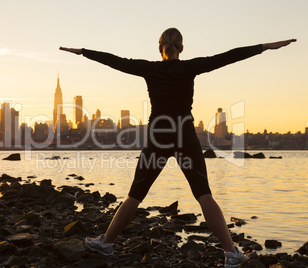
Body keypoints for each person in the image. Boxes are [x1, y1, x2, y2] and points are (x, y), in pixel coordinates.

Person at [60, 28, 296, 268]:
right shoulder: (188, 68)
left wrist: (83, 52)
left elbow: (115, 62)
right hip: (185, 135)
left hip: (159, 138)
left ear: (159, 47)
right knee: (204, 194)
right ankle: (231, 253)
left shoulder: (150, 69)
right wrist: (265, 46)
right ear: (181, 48)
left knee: (136, 194)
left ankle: (106, 243)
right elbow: (228, 56)